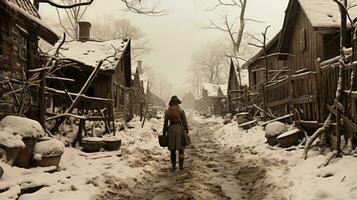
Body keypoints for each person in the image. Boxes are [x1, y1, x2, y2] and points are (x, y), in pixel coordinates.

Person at [162, 95, 189, 171]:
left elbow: (165, 123)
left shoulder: (167, 112)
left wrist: (164, 132)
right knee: (181, 149)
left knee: (172, 149)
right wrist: (186, 130)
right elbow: (184, 122)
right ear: (177, 103)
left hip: (171, 130)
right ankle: (181, 166)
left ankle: (174, 166)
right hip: (180, 130)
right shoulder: (181, 111)